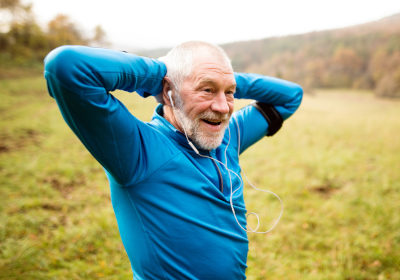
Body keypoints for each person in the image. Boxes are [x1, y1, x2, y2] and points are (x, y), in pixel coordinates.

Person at [44, 41, 303, 280]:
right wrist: (161, 76)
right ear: (168, 91)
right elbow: (66, 66)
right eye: (207, 90)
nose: (223, 107)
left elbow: (291, 96)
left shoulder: (227, 138)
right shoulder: (139, 150)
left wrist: (224, 80)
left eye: (229, 94)